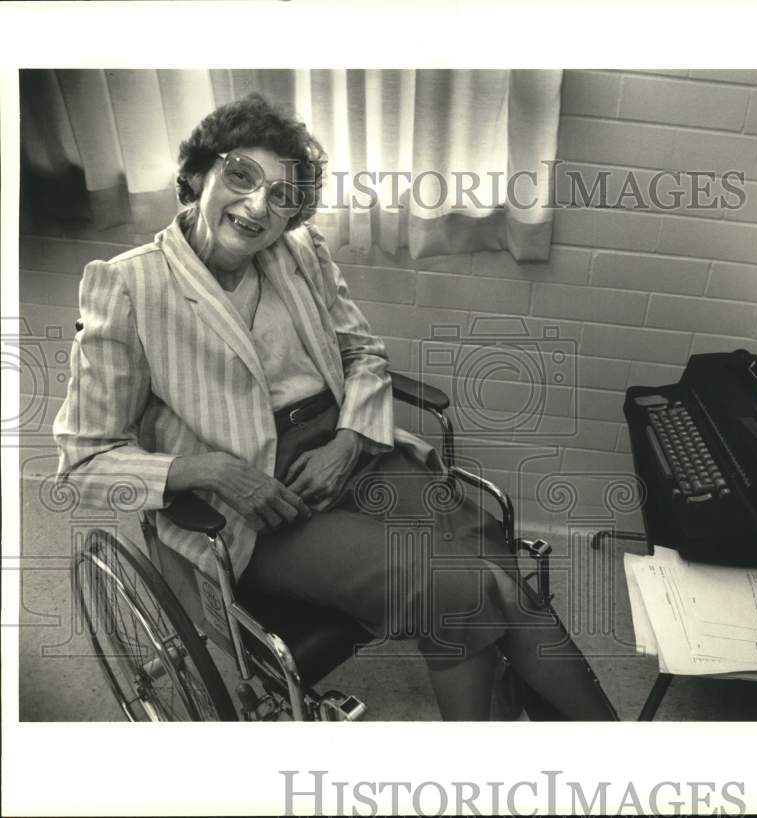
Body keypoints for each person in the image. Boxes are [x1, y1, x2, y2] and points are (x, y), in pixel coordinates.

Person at [54, 93, 617, 721]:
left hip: (348, 449)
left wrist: (349, 441)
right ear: (198, 172)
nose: (256, 207)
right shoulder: (127, 284)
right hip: (261, 501)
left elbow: (363, 355)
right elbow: (85, 458)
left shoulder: (302, 254)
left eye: (282, 196)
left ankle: (597, 742)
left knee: (489, 550)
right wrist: (211, 471)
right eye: (240, 175)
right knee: (456, 589)